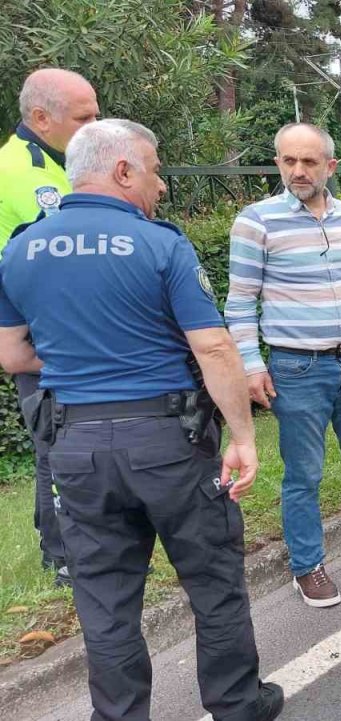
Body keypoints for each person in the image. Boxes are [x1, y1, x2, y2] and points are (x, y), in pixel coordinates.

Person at [0, 119, 283, 721]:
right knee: (213, 581)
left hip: (75, 447)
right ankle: (238, 705)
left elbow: (12, 355)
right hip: (168, 444)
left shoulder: (21, 247)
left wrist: (84, 357)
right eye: (155, 171)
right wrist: (242, 436)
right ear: (123, 170)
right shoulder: (160, 244)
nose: (161, 185)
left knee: (104, 602)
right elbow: (213, 347)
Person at [225, 122, 341, 609]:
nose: (298, 171)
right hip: (297, 370)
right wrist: (251, 366)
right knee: (303, 475)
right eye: (289, 161)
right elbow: (239, 304)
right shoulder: (257, 221)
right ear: (278, 163)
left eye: (308, 161)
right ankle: (307, 566)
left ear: (330, 166)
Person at [0, 69, 99, 586]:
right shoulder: (14, 170)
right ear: (41, 118)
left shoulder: (67, 163)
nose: (95, 125)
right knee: (54, 439)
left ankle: (68, 543)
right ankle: (64, 555)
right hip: (43, 335)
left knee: (72, 438)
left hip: (79, 331)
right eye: (84, 117)